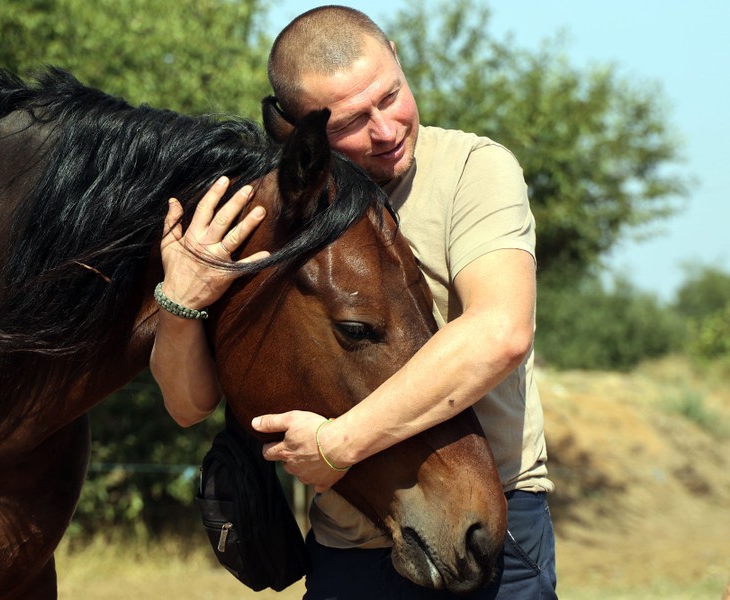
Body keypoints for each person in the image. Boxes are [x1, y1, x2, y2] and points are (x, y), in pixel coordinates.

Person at [150, 6, 557, 599]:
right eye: (352, 121)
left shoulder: (473, 171)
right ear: (295, 130)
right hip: (347, 544)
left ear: (396, 54)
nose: (387, 129)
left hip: (490, 519)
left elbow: (500, 332)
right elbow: (189, 406)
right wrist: (180, 301)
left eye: (391, 96)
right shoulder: (266, 216)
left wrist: (337, 445)